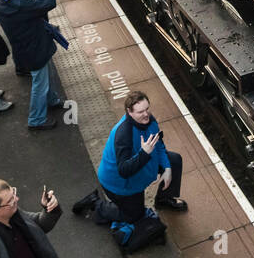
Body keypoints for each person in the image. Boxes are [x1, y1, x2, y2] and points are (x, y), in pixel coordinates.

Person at [78, 90, 187, 221]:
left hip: (140, 164)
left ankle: (164, 199)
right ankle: (96, 203)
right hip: (119, 183)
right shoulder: (123, 134)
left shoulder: (150, 121)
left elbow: (158, 145)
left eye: (147, 109)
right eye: (140, 112)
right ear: (129, 112)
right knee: (134, 216)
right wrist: (144, 154)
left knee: (173, 160)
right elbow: (124, 171)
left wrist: (167, 168)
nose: (146, 114)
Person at [0, 0, 65, 130]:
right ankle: (36, 119)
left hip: (28, 46)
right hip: (34, 48)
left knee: (47, 73)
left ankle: (52, 100)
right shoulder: (20, 6)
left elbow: (23, 2)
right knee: (39, 83)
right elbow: (48, 3)